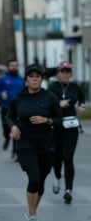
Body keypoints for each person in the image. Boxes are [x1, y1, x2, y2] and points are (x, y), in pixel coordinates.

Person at [6, 64, 62, 221]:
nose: (35, 79)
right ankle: (32, 216)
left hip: (46, 144)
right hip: (25, 144)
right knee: (34, 177)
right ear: (26, 80)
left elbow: (59, 120)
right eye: (31, 76)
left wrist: (47, 120)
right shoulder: (19, 97)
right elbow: (10, 116)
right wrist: (13, 127)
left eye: (38, 76)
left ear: (41, 79)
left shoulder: (50, 97)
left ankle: (33, 211)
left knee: (41, 181)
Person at [47, 61, 86, 204]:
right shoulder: (52, 88)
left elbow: (81, 98)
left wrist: (81, 106)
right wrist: (58, 104)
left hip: (71, 126)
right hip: (56, 127)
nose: (65, 74)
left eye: (68, 71)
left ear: (71, 73)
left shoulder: (75, 87)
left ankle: (68, 190)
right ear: (58, 73)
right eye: (62, 71)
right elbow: (45, 104)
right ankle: (57, 177)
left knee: (68, 158)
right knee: (56, 158)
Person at [0, 59, 25, 162]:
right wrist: (1, 94)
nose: (14, 67)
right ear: (8, 67)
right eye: (12, 65)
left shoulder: (21, 79)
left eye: (16, 65)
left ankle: (15, 153)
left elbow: (25, 92)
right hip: (6, 108)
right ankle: (6, 138)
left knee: (16, 130)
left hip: (18, 109)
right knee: (6, 130)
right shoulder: (3, 79)